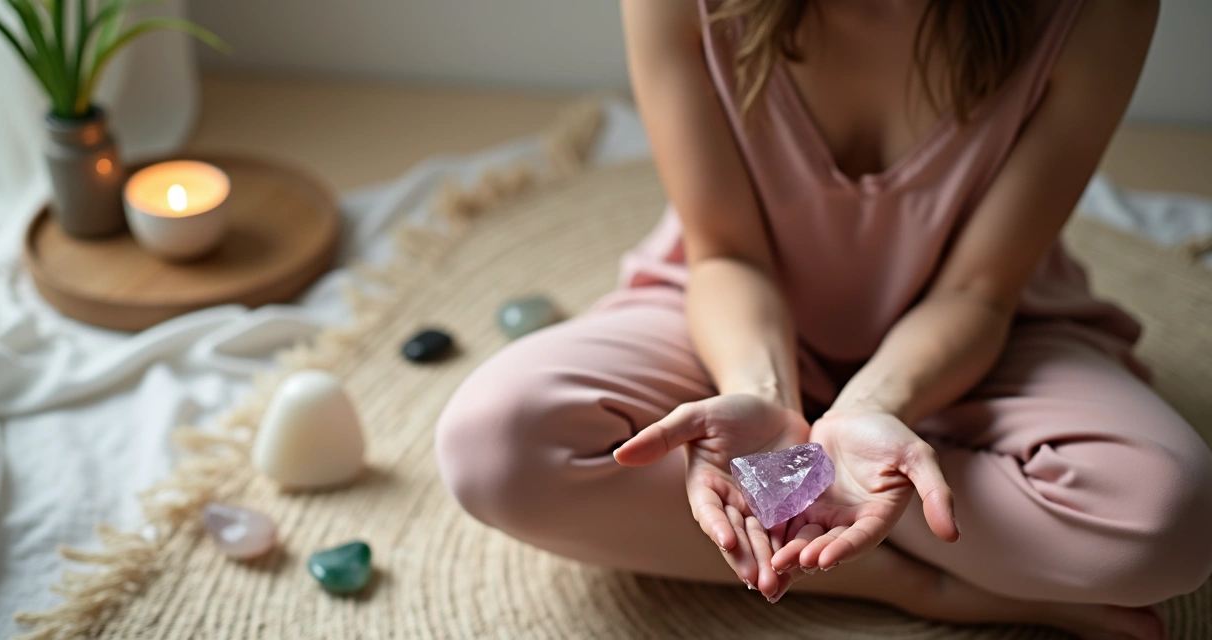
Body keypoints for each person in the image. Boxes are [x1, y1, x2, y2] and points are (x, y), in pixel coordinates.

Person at [436, 1, 1212, 637]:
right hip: (729, 319)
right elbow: (726, 254)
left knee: (1170, 522)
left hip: (986, 334)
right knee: (492, 442)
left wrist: (873, 409)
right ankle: (904, 581)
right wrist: (764, 398)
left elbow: (978, 290)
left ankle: (856, 493)